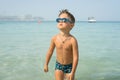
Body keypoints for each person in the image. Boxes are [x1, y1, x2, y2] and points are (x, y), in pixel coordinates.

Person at [44, 9, 79, 80]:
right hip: (59, 65)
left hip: (69, 66)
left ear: (71, 25)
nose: (61, 22)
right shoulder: (54, 38)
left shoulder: (73, 40)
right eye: (59, 20)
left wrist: (73, 72)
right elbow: (50, 52)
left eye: (64, 20)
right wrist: (46, 64)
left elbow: (76, 57)